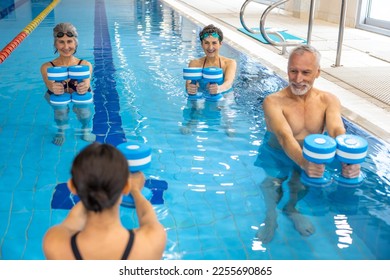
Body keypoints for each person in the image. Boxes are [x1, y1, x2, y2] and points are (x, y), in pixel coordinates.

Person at [255, 45, 361, 243]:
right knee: (272, 183)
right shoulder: (273, 101)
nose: (298, 79)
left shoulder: (328, 100)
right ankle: (271, 218)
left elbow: (337, 130)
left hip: (310, 154)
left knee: (299, 183)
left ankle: (292, 209)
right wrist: (304, 163)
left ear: (318, 73)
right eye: (293, 71)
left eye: (306, 72)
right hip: (276, 152)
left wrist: (349, 161)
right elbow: (285, 137)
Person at [43, 143, 167, 260]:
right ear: (125, 187)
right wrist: (135, 190)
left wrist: (89, 189)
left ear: (72, 187)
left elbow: (73, 219)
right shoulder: (152, 242)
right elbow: (146, 216)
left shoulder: (54, 243)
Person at [40, 22, 95, 145]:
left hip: (79, 96)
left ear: (75, 43)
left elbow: (87, 83)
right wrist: (54, 87)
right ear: (55, 44)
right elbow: (49, 86)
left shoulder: (85, 65)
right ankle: (61, 130)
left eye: (69, 41)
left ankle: (85, 128)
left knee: (84, 112)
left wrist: (85, 86)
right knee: (61, 112)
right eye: (61, 42)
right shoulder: (47, 67)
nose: (66, 47)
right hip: (57, 98)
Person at [182, 24, 237, 136]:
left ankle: (228, 125)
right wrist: (190, 88)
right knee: (195, 104)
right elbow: (188, 84)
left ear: (220, 44)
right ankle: (191, 122)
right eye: (206, 43)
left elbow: (228, 83)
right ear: (202, 44)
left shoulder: (229, 63)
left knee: (226, 105)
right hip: (202, 93)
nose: (210, 47)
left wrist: (219, 89)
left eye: (214, 43)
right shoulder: (195, 63)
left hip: (223, 93)